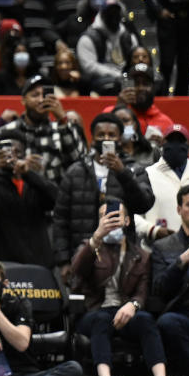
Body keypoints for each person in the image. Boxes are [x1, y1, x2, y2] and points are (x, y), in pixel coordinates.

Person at [72, 202, 177, 376]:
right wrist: (96, 238)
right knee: (102, 319)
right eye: (104, 216)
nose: (110, 220)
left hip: (127, 312)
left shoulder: (141, 255)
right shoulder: (90, 247)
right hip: (95, 312)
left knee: (146, 320)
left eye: (115, 216)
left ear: (127, 221)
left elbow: (143, 291)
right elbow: (76, 272)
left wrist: (134, 305)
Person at [53, 112, 155, 283]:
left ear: (120, 139)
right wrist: (63, 262)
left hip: (121, 256)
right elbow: (61, 219)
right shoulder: (75, 171)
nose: (106, 139)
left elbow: (144, 204)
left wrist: (122, 172)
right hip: (82, 254)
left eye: (111, 135)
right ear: (92, 138)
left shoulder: (133, 169)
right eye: (101, 135)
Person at [0, 136, 58, 269]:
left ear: (25, 155)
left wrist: (28, 174)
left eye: (17, 152)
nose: (12, 157)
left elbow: (57, 199)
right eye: (6, 153)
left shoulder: (33, 183)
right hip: (5, 265)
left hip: (40, 263)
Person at [0, 76, 87, 185]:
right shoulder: (4, 132)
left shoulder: (62, 130)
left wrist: (62, 119)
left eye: (45, 95)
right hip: (13, 198)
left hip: (52, 199)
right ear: (23, 100)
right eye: (35, 95)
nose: (41, 100)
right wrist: (18, 168)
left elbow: (81, 166)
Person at [152, 183, 189, 376]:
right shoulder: (164, 246)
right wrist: (181, 261)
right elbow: (159, 289)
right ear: (179, 209)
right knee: (167, 322)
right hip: (184, 313)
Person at [138, 125, 189, 243]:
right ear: (163, 144)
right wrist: (152, 230)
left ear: (188, 145)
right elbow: (132, 214)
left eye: (180, 141)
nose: (176, 146)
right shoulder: (148, 174)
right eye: (171, 141)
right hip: (157, 247)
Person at [76, 0, 140, 95]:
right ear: (102, 14)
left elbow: (136, 57)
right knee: (112, 85)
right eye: (110, 12)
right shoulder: (88, 38)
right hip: (100, 80)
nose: (113, 16)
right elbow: (89, 67)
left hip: (126, 78)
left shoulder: (128, 37)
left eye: (116, 12)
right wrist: (116, 75)